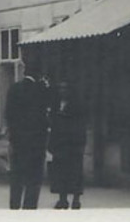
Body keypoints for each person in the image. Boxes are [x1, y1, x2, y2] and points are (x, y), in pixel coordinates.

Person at [5, 52, 53, 209]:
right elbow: (45, 116)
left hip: (17, 143)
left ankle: (14, 211)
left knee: (16, 181)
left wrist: (13, 137)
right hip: (35, 145)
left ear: (25, 71)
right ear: (39, 73)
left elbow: (8, 115)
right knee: (33, 182)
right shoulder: (41, 91)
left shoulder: (14, 89)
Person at [48, 81, 87, 210]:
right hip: (60, 144)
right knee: (60, 172)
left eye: (65, 88)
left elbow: (81, 125)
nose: (62, 91)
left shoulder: (78, 106)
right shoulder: (56, 105)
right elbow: (53, 124)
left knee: (75, 172)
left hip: (73, 144)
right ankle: (62, 199)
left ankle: (76, 199)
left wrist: (80, 143)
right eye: (60, 88)